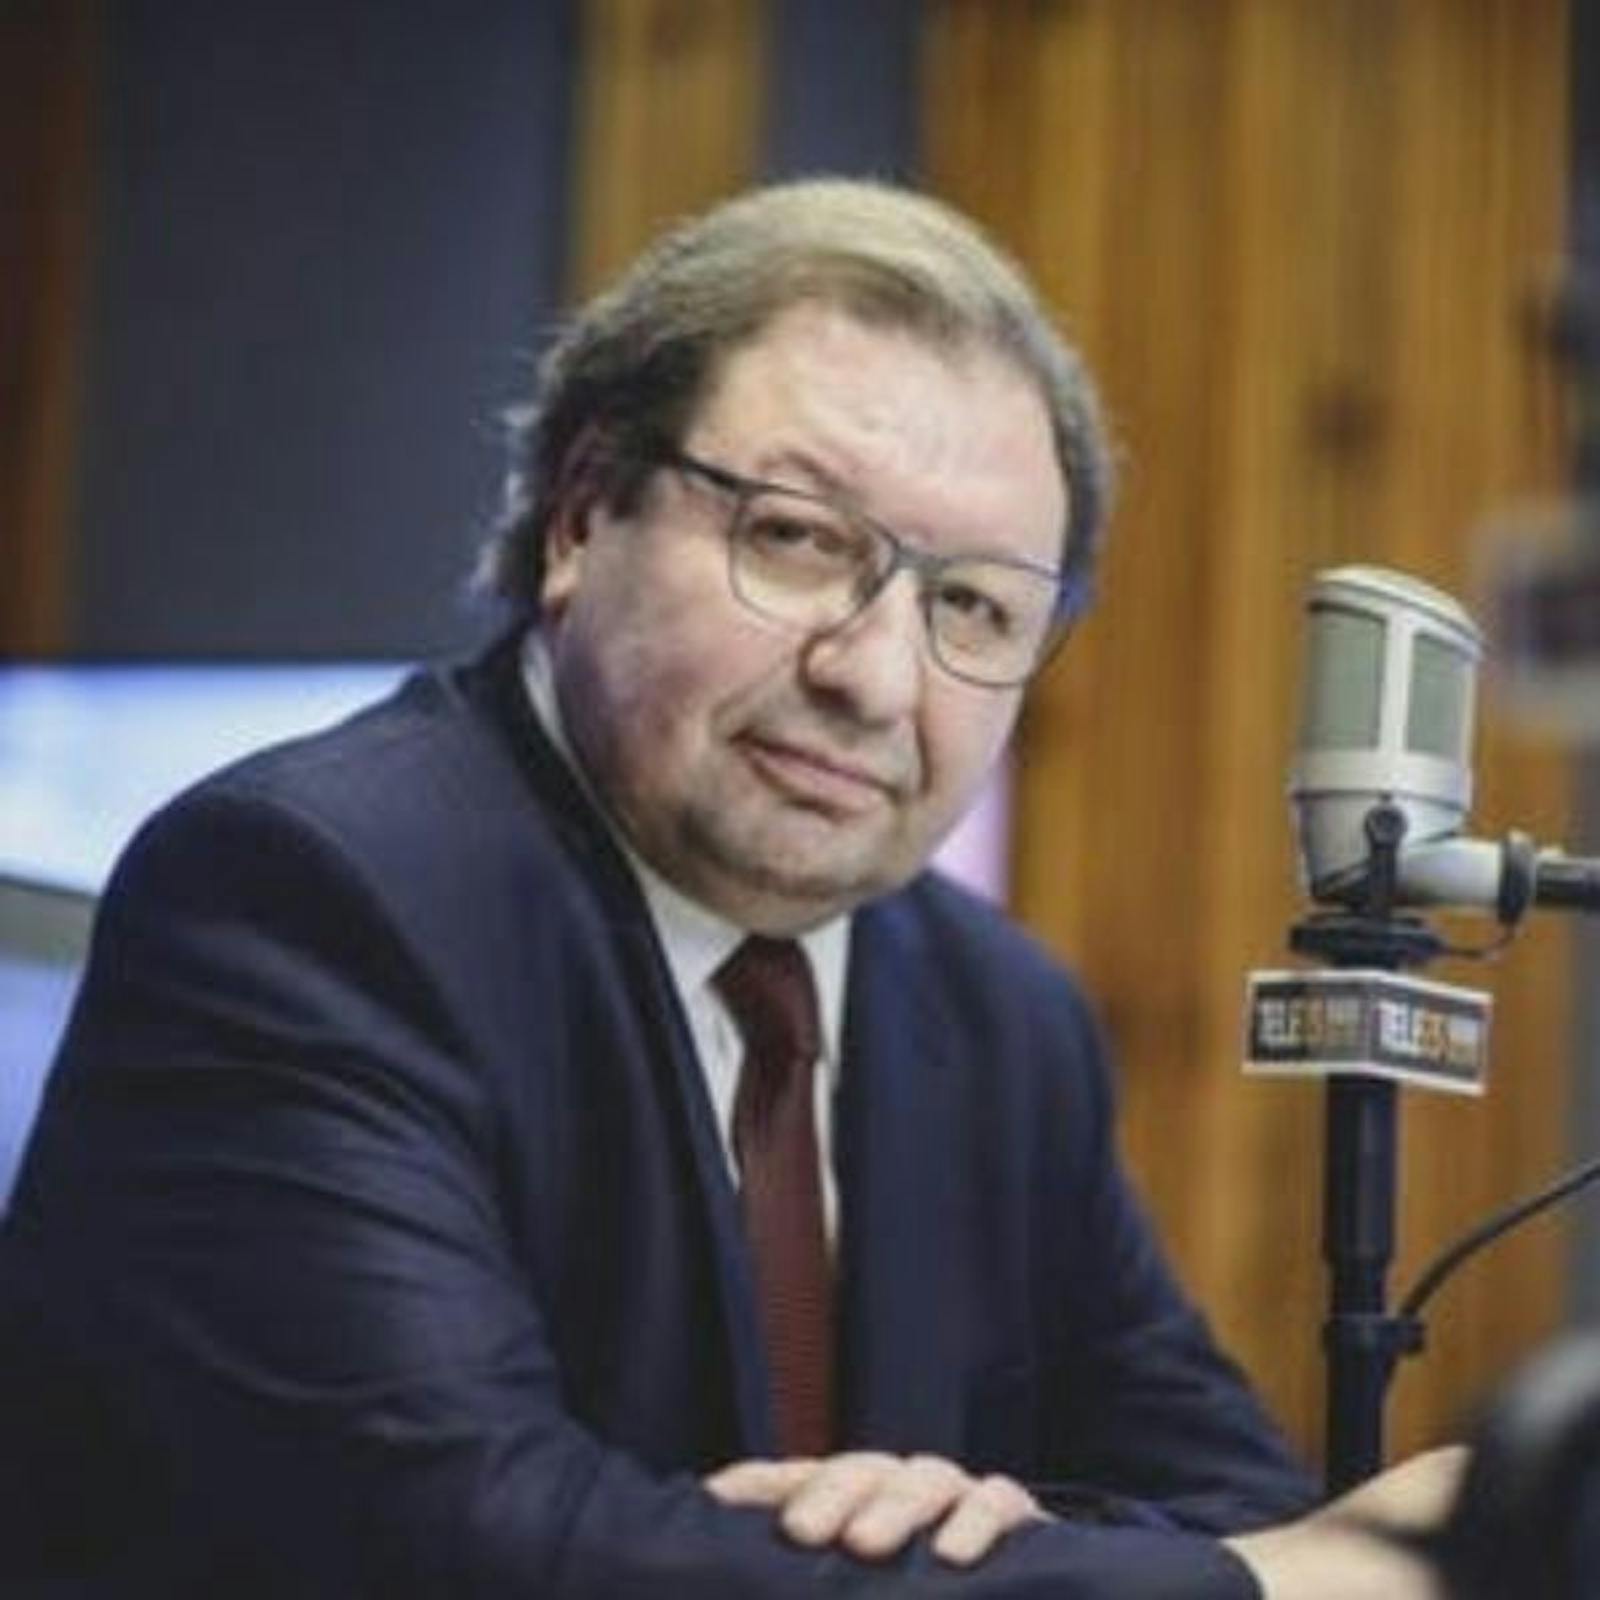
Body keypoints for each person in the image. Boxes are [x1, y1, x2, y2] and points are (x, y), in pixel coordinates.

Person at [0, 178, 1459, 1597]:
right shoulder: (305, 901)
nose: (874, 677)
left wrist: (1014, 1530)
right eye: (799, 539)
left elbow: (1252, 1518)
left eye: (972, 607)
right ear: (583, 517)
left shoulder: (1004, 1018)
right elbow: (481, 1543)